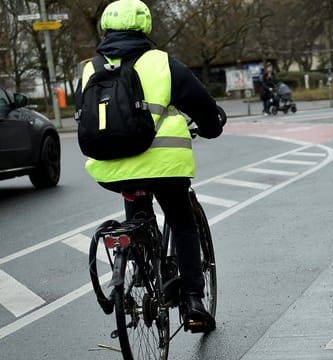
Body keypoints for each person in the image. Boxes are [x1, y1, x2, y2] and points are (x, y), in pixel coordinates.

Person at [75, 0, 223, 333]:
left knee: (137, 212)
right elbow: (201, 105)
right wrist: (213, 125)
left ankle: (139, 268)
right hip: (165, 168)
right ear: (145, 26)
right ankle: (194, 302)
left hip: (110, 169)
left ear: (105, 28)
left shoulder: (89, 68)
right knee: (182, 223)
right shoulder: (161, 64)